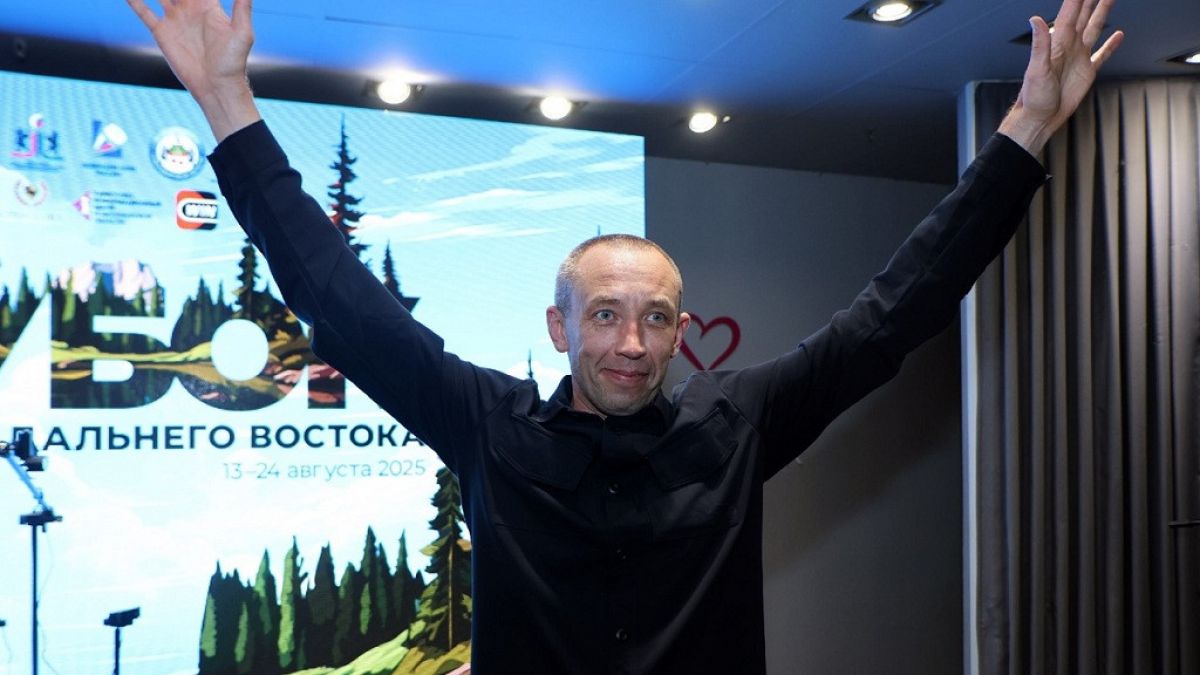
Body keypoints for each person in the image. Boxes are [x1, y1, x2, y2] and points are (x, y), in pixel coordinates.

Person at [127, 1, 1123, 673]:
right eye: (604, 314)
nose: (631, 344)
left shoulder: (738, 425)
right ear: (558, 325)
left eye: (654, 319)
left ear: (681, 331)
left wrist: (1026, 131)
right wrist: (226, 102)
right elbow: (338, 297)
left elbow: (896, 310)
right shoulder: (486, 424)